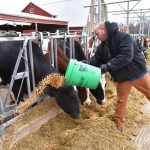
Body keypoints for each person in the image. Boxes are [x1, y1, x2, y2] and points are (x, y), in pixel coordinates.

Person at [83, 21, 150, 132]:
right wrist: (87, 63)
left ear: (103, 30)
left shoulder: (124, 37)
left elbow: (126, 56)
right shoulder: (102, 47)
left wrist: (107, 66)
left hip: (138, 73)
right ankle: (119, 123)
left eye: (96, 33)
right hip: (122, 78)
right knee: (121, 101)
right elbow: (96, 59)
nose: (96, 36)